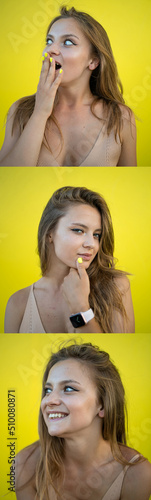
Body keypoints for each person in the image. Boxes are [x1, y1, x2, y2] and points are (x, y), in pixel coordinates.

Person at [0, 6, 136, 167]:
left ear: (93, 61)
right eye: (49, 41)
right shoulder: (19, 111)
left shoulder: (121, 117)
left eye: (68, 42)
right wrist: (40, 112)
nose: (51, 49)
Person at [15, 342, 151, 500]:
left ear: (103, 405)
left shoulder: (137, 474)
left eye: (69, 389)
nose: (49, 400)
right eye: (48, 390)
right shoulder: (24, 465)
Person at [5, 186, 135, 333]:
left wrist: (81, 307)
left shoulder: (116, 287)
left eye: (96, 235)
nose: (91, 244)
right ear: (49, 234)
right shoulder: (18, 303)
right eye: (78, 230)